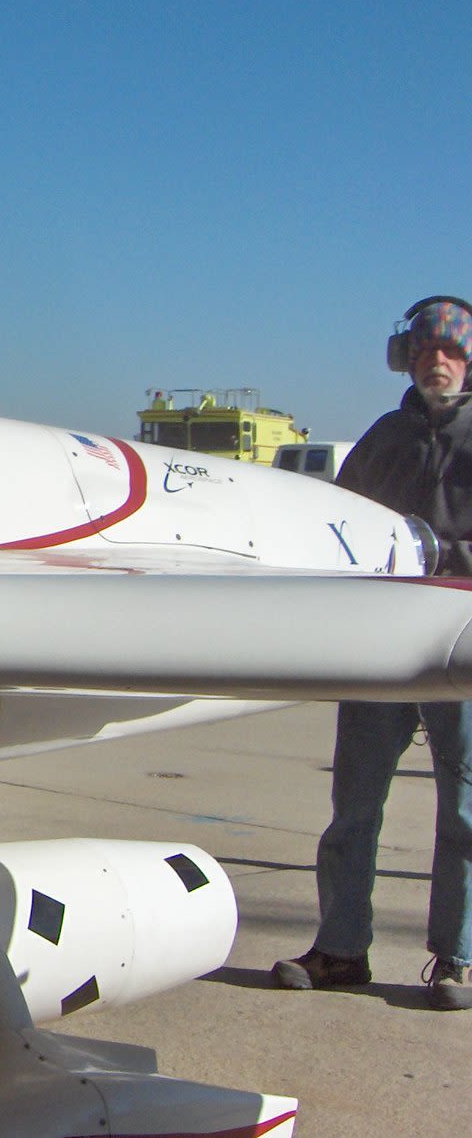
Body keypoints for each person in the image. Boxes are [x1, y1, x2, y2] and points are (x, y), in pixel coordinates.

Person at [273, 295, 472, 1012]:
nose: (437, 364)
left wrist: (437, 551)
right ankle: (340, 948)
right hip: (377, 647)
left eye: (450, 353)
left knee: (466, 813)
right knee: (353, 805)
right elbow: (338, 523)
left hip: (460, 646)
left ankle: (457, 960)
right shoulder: (384, 437)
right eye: (425, 353)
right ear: (407, 359)